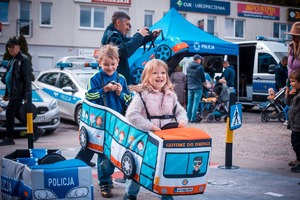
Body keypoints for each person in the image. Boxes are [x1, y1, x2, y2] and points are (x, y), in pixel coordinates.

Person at [124, 59, 187, 200]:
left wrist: (182, 120)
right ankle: (130, 194)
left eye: (163, 73)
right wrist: (150, 126)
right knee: (141, 167)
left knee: (166, 167)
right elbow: (131, 115)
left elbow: (180, 111)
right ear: (147, 76)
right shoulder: (142, 95)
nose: (160, 76)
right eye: (155, 73)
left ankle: (166, 196)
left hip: (167, 140)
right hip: (147, 139)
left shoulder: (171, 95)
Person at [85, 44, 132, 198]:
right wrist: (104, 90)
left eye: (112, 64)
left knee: (116, 152)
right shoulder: (95, 78)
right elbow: (88, 97)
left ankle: (108, 178)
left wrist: (119, 92)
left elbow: (128, 100)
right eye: (106, 64)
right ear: (99, 63)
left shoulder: (121, 78)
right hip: (102, 122)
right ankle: (105, 182)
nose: (109, 67)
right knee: (104, 154)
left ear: (118, 62)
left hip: (118, 121)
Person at [0, 38, 44, 146]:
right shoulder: (12, 60)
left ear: (18, 47)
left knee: (10, 112)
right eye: (9, 48)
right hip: (13, 94)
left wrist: (26, 96)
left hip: (19, 93)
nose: (10, 50)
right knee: (20, 115)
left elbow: (26, 78)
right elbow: (9, 79)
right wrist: (6, 94)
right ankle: (37, 130)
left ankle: (9, 138)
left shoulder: (24, 60)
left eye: (12, 47)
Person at [101, 11, 160, 85]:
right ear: (118, 22)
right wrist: (139, 35)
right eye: (127, 24)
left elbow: (132, 43)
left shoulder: (115, 35)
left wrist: (151, 35)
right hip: (116, 84)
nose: (129, 28)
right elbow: (125, 51)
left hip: (118, 82)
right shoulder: (112, 35)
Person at [286, 69, 300, 173]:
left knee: (296, 142)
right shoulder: (295, 92)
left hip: (298, 123)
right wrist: (289, 94)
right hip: (294, 123)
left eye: (294, 81)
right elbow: (287, 103)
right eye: (291, 81)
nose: (292, 84)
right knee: (296, 142)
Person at [186, 54, 206, 123]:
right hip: (198, 87)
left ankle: (188, 117)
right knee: (195, 103)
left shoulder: (188, 67)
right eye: (200, 59)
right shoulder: (200, 67)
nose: (200, 61)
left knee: (190, 103)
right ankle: (193, 119)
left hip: (190, 87)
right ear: (197, 60)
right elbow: (203, 79)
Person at [285, 22, 300, 96]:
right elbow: (290, 69)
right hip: (292, 84)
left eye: (295, 36)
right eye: (292, 36)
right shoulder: (291, 47)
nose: (292, 38)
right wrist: (288, 85)